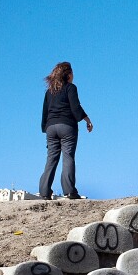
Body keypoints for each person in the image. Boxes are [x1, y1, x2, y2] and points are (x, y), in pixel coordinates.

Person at [38, 62, 93, 200]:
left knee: (51, 158)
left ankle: (44, 192)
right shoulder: (71, 88)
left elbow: (44, 111)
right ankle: (69, 191)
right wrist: (87, 120)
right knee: (68, 157)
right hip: (67, 126)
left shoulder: (49, 91)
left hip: (51, 127)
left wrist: (45, 128)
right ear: (68, 75)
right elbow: (75, 107)